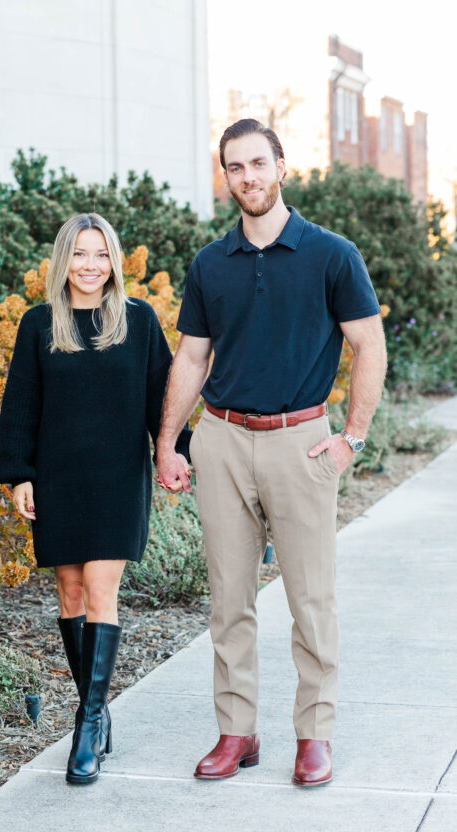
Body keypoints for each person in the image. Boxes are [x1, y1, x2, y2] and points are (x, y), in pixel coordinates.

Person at [156, 118, 387, 788]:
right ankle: (236, 732)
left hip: (300, 440)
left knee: (310, 599)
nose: (247, 178)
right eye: (234, 168)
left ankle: (313, 736)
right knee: (228, 599)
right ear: (224, 175)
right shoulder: (209, 264)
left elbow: (367, 346)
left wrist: (352, 437)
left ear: (281, 167)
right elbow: (192, 357)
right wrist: (168, 442)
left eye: (258, 164)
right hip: (222, 440)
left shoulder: (329, 254)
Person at [0, 212, 190, 786]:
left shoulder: (138, 320)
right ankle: (95, 710)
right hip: (57, 476)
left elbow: (163, 397)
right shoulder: (38, 325)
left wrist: (178, 450)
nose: (89, 265)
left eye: (100, 254)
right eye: (79, 254)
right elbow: (20, 404)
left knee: (102, 590)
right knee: (70, 590)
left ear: (114, 262)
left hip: (116, 478)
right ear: (64, 260)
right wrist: (19, 474)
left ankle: (87, 724)